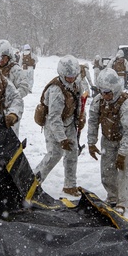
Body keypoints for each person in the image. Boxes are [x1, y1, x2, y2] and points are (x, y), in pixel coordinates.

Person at [86, 68, 128, 215]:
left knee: (124, 170)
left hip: (126, 139)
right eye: (102, 92)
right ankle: (112, 197)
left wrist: (123, 153)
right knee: (107, 169)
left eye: (108, 92)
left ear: (115, 89)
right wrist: (91, 143)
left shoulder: (126, 105)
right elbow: (92, 121)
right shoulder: (98, 101)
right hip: (108, 138)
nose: (105, 95)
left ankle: (123, 202)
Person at [33, 55, 82, 197]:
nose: (71, 79)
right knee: (55, 154)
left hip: (69, 122)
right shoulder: (56, 90)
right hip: (52, 124)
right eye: (68, 77)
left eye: (73, 76)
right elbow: (54, 118)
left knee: (72, 154)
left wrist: (79, 118)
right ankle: (33, 181)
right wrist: (62, 139)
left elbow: (79, 101)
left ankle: (70, 185)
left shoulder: (77, 84)